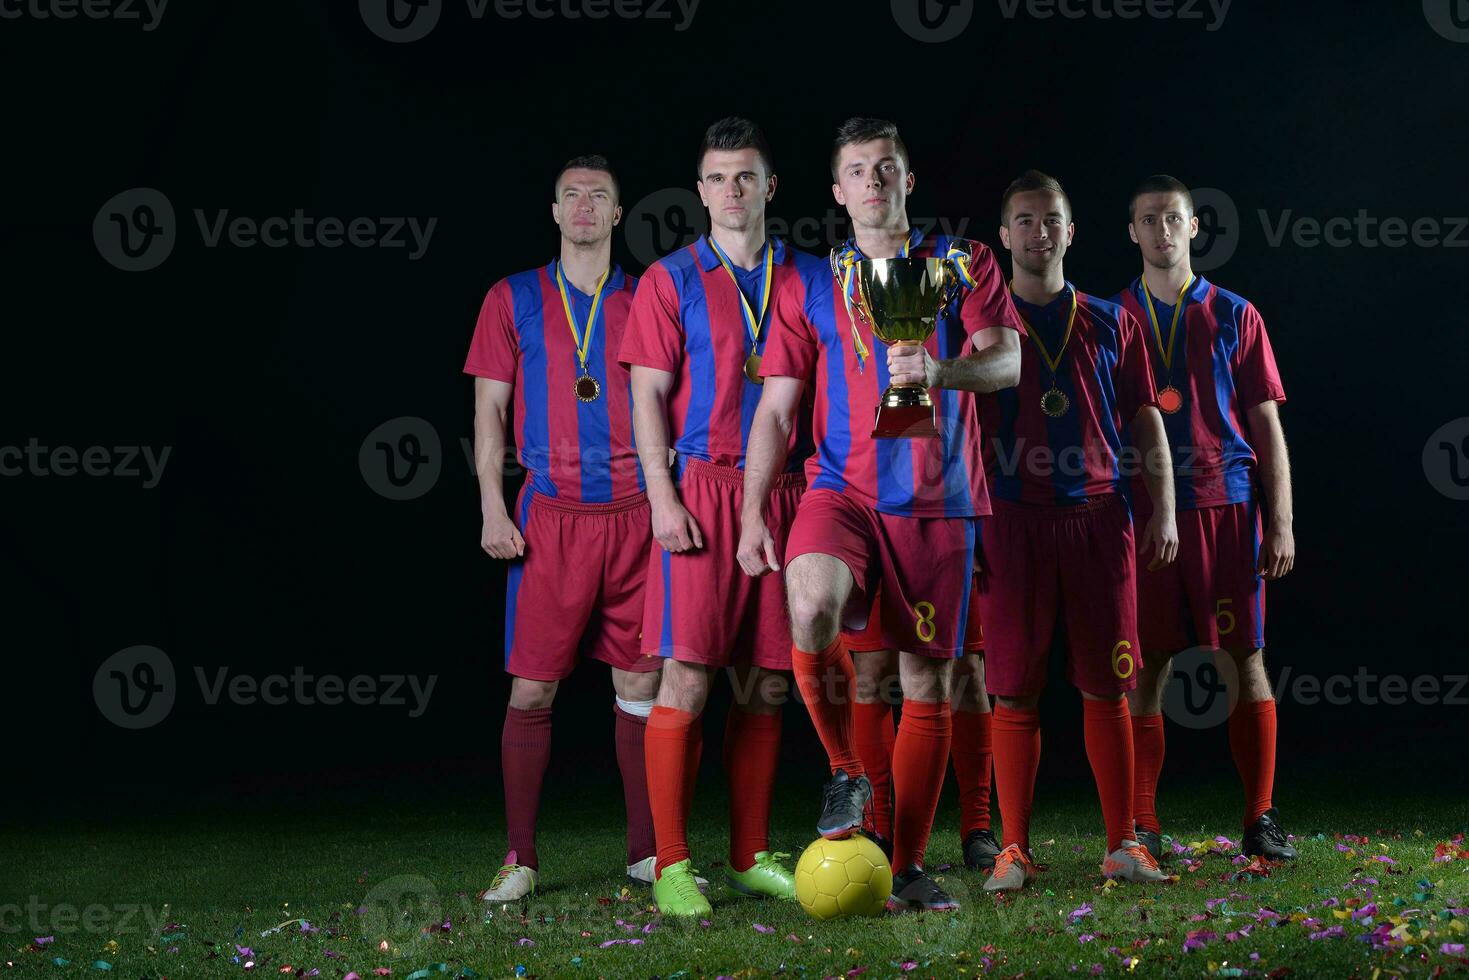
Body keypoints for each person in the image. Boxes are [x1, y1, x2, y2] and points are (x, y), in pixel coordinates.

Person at [740, 117, 1022, 912]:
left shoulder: (962, 263)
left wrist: (942, 368)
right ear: (837, 192)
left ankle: (902, 865)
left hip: (939, 499)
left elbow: (1007, 359)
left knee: (925, 678)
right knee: (809, 610)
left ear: (907, 178)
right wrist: (752, 513)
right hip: (842, 491)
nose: (872, 181)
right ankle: (844, 769)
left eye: (886, 167)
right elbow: (774, 410)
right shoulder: (809, 283)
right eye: (857, 170)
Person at [620, 117, 819, 918]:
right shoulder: (668, 279)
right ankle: (671, 865)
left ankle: (747, 854)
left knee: (767, 684)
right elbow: (643, 398)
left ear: (770, 186)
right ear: (698, 191)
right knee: (688, 676)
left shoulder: (807, 275)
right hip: (701, 488)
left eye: (746, 177)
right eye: (716, 178)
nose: (731, 191)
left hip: (785, 493)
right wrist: (663, 499)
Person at [464, 155, 661, 901]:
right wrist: (490, 505)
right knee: (531, 694)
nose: (584, 206)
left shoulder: (647, 297)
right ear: (553, 212)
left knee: (641, 686)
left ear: (617, 214)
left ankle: (646, 851)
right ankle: (520, 857)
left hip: (637, 517)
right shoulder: (510, 297)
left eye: (599, 196)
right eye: (571, 195)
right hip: (548, 521)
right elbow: (486, 411)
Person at [976, 170, 1177, 893]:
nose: (1039, 232)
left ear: (1070, 230)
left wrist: (1166, 508)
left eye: (1051, 219)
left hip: (1098, 517)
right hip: (1010, 517)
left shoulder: (1107, 318)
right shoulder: (982, 329)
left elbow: (1145, 418)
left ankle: (1123, 842)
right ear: (1004, 236)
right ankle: (1014, 849)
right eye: (1024, 220)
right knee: (1013, 691)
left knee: (1108, 687)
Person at [1114, 175, 1296, 862]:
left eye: (1173, 218)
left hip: (1224, 504)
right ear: (1131, 232)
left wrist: (1278, 520)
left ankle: (1260, 818)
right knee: (1144, 663)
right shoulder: (1108, 316)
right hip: (1138, 512)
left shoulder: (1234, 313)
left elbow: (1266, 426)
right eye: (1148, 218)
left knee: (1242, 659)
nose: (1162, 230)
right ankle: (1140, 820)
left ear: (1194, 228)